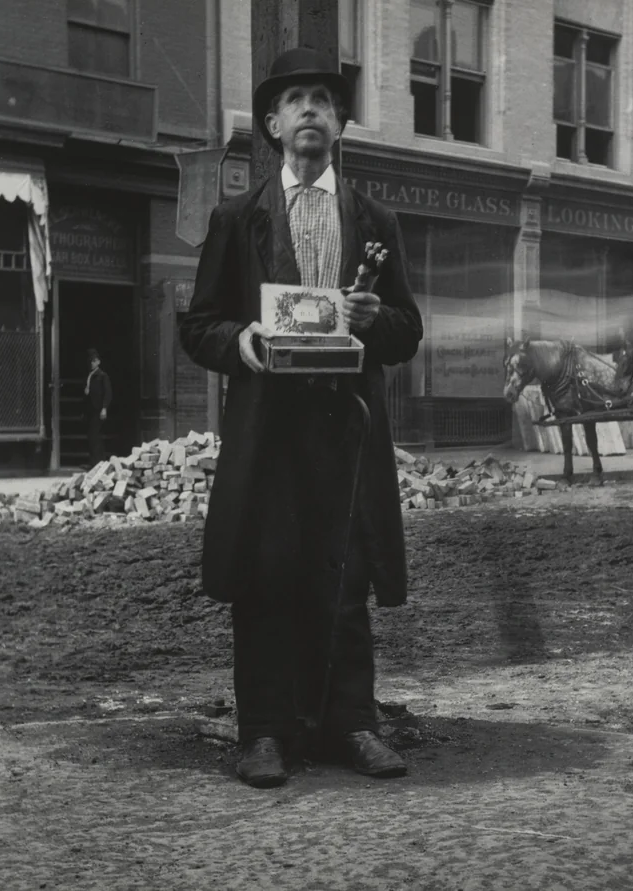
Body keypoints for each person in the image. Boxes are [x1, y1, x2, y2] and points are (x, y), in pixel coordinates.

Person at [179, 48, 423, 789]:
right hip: (268, 432)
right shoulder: (237, 217)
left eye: (325, 98)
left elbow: (408, 329)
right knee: (266, 574)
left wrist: (377, 319)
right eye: (297, 100)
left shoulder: (375, 218)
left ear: (341, 121)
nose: (311, 109)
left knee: (343, 575)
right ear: (273, 123)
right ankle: (264, 732)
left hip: (346, 432)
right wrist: (242, 340)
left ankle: (352, 721)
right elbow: (198, 325)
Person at [83, 348, 111, 469]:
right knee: (91, 436)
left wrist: (104, 408)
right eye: (91, 361)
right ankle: (94, 461)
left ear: (98, 362)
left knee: (95, 435)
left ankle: (99, 462)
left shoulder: (102, 376)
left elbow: (108, 393)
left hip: (98, 409)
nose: (92, 363)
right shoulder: (90, 375)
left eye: (94, 361)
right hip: (90, 410)